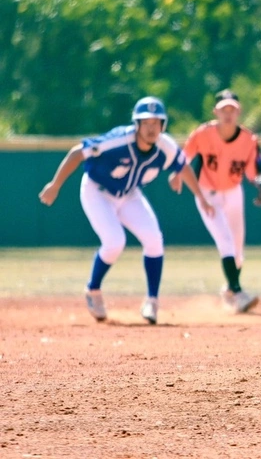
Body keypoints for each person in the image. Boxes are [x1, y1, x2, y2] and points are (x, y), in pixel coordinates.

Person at [38, 96, 213, 324]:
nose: (151, 128)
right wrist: (55, 184)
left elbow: (183, 166)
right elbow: (77, 153)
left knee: (154, 239)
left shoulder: (165, 146)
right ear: (136, 124)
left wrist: (200, 196)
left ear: (163, 125)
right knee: (114, 242)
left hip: (129, 194)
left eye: (156, 123)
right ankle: (93, 290)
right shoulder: (118, 141)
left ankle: (152, 301)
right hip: (97, 191)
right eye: (146, 123)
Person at [182, 89, 261, 313]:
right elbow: (183, 159)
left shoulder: (248, 140)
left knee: (238, 252)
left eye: (232, 109)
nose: (228, 114)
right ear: (216, 111)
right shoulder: (203, 134)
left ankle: (229, 292)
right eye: (224, 109)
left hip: (233, 192)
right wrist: (178, 176)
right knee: (225, 243)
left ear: (238, 112)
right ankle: (238, 292)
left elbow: (255, 172)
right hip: (207, 193)